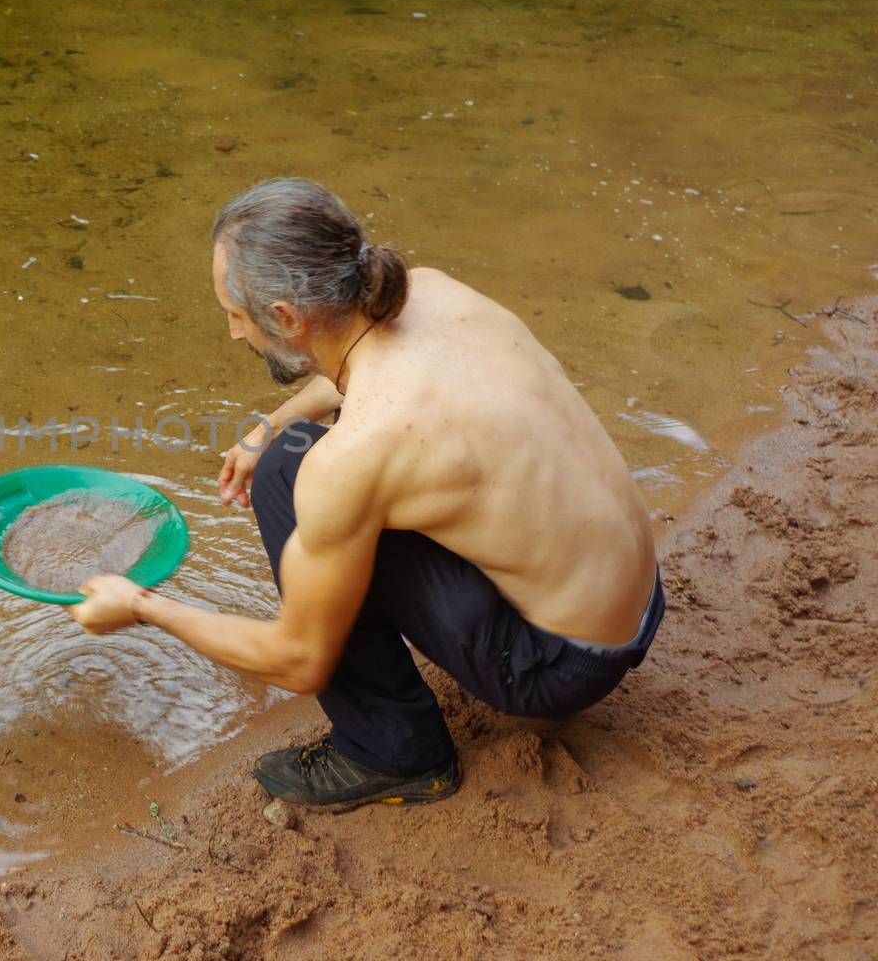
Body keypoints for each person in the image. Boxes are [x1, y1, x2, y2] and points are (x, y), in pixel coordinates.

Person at [69, 178, 665, 811]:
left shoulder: (358, 456)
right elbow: (360, 376)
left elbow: (299, 662)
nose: (232, 333)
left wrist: (140, 604)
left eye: (235, 314)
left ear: (286, 318)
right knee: (289, 455)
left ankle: (393, 756)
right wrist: (267, 429)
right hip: (640, 598)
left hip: (558, 669)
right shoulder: (434, 292)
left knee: (293, 476)